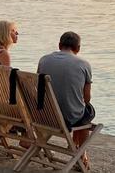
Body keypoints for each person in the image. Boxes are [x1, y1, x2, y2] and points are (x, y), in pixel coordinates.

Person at [37, 31, 94, 168]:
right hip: (68, 118)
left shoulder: (44, 59)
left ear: (59, 45)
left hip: (45, 115)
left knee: (79, 108)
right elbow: (86, 98)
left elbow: (39, 88)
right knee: (88, 111)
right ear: (78, 48)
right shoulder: (84, 64)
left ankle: (75, 145)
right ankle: (81, 151)